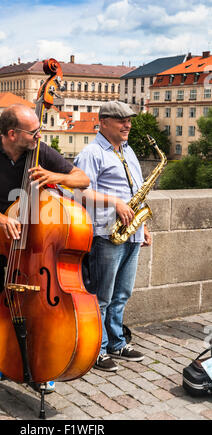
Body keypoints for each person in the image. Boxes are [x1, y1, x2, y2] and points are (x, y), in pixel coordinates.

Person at [0, 103, 90, 386]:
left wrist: (57, 177)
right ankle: (1, 359)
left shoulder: (39, 150)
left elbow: (82, 179)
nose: (38, 136)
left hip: (33, 244)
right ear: (12, 134)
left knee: (35, 304)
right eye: (33, 132)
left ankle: (41, 362)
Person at [74, 101, 152, 373]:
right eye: (120, 120)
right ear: (103, 121)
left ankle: (117, 342)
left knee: (122, 294)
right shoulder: (91, 153)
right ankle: (98, 347)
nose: (127, 124)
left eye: (129, 120)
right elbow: (80, 193)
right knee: (101, 296)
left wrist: (142, 226)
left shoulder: (128, 151)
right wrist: (115, 203)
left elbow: (136, 192)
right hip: (106, 234)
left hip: (131, 233)